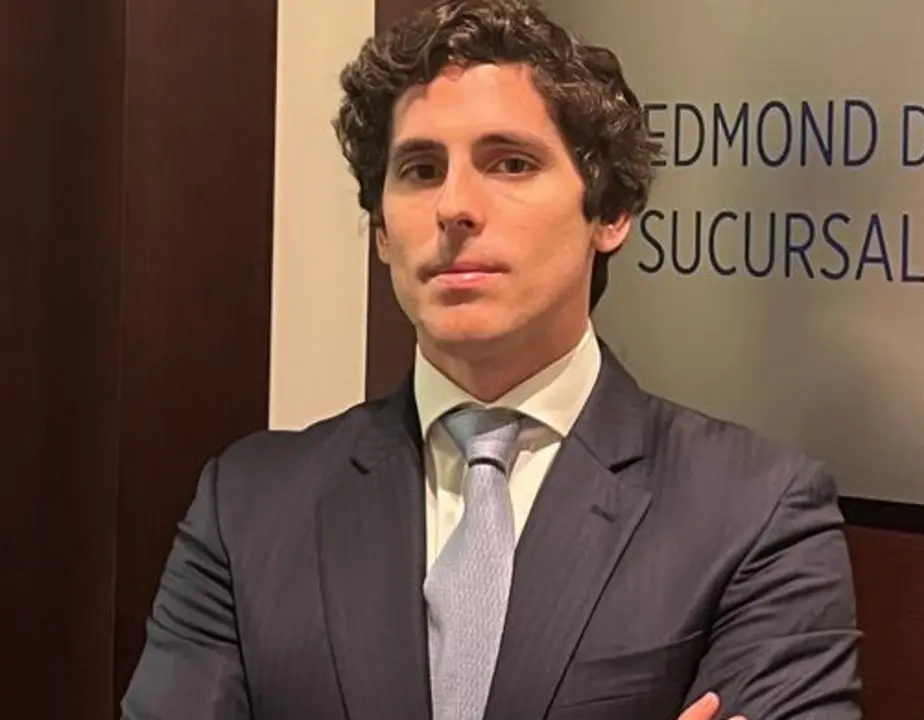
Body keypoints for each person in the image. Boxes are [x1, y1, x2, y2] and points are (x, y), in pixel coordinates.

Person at [120, 0, 862, 718]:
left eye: (510, 163)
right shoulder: (248, 510)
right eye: (420, 170)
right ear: (382, 231)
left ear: (610, 212)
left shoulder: (754, 515)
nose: (454, 207)